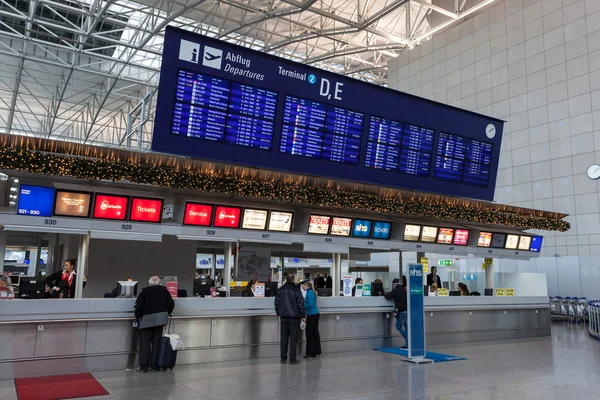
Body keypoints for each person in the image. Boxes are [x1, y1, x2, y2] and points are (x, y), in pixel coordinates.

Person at [134, 276, 175, 373]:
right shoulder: (165, 291)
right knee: (156, 343)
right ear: (159, 283)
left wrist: (138, 316)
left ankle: (143, 367)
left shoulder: (144, 292)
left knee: (145, 344)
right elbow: (171, 304)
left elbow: (139, 307)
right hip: (160, 320)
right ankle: (154, 365)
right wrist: (167, 313)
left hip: (147, 321)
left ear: (149, 283)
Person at [275, 274, 305, 365]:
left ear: (286, 280)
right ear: (293, 280)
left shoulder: (280, 290)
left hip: (283, 317)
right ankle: (292, 359)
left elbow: (276, 303)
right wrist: (303, 315)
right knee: (293, 338)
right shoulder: (296, 290)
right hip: (294, 318)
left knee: (283, 338)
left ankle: (283, 358)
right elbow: (300, 303)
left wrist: (278, 313)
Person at [385, 278, 408, 348]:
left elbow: (387, 296)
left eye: (393, 284)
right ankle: (408, 344)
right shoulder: (404, 290)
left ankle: (409, 340)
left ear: (395, 284)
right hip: (406, 310)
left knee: (398, 327)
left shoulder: (395, 291)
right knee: (406, 327)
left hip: (401, 311)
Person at [301, 281, 321, 359]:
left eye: (302, 286)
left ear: (306, 285)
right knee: (315, 333)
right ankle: (316, 351)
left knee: (309, 334)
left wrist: (303, 307)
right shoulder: (312, 292)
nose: (302, 288)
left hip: (311, 315)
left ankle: (310, 352)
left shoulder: (309, 292)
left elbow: (309, 304)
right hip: (315, 314)